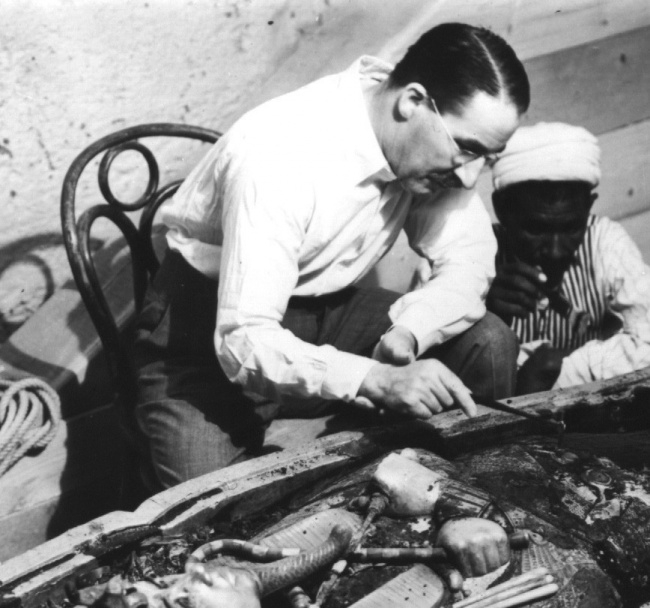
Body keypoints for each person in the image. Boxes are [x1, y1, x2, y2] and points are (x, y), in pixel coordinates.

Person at [132, 22, 529, 491]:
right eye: (467, 149)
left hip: (326, 316)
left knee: (487, 341)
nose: (469, 177)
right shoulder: (280, 153)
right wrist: (374, 378)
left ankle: (476, 496)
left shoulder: (427, 144)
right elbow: (245, 340)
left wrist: (411, 329)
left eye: (488, 157)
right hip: (205, 340)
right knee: (220, 510)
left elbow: (469, 259)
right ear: (412, 101)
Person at [487, 122, 650, 394]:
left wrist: (561, 368)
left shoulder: (604, 241)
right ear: (501, 209)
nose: (555, 251)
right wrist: (484, 320)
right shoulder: (473, 252)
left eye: (571, 228)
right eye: (535, 229)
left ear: (589, 206)